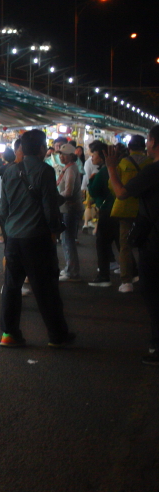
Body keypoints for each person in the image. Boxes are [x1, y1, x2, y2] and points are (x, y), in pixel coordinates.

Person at [0, 129, 74, 348]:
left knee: (11, 286)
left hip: (13, 239)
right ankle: (57, 335)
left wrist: (6, 235)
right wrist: (56, 229)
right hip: (37, 238)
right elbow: (50, 207)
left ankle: (9, 334)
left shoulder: (9, 172)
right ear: (42, 148)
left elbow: (3, 211)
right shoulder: (45, 170)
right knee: (46, 288)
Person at [105, 125, 159, 365]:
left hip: (155, 241)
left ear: (155, 142)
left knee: (153, 292)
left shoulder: (153, 170)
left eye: (149, 139)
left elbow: (121, 193)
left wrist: (110, 168)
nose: (147, 144)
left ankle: (157, 347)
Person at [111, 135, 153, 293]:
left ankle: (126, 280)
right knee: (148, 244)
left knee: (125, 246)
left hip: (126, 209)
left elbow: (113, 187)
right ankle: (145, 276)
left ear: (129, 148)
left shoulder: (123, 163)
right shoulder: (152, 164)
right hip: (147, 210)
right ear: (144, 147)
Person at [88, 141, 119, 287]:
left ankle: (104, 276)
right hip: (119, 209)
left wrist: (91, 181)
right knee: (121, 242)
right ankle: (132, 272)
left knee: (102, 243)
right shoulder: (117, 168)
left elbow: (94, 191)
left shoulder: (102, 172)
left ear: (101, 156)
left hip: (107, 210)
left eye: (93, 155)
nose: (92, 157)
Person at [56, 143, 83, 281]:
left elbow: (68, 191)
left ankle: (72, 271)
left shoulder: (71, 169)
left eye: (64, 154)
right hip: (67, 208)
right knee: (66, 239)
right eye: (60, 154)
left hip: (70, 209)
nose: (61, 156)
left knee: (68, 240)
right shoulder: (67, 168)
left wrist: (55, 197)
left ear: (71, 156)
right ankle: (70, 268)